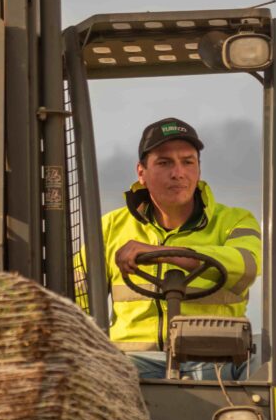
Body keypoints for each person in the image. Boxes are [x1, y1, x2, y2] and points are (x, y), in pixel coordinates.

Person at [102, 117, 262, 380]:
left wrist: (164, 254)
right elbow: (77, 296)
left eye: (188, 162)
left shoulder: (234, 221)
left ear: (198, 169)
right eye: (164, 163)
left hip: (215, 361)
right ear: (141, 172)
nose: (178, 173)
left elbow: (247, 265)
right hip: (131, 365)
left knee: (262, 356)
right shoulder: (109, 227)